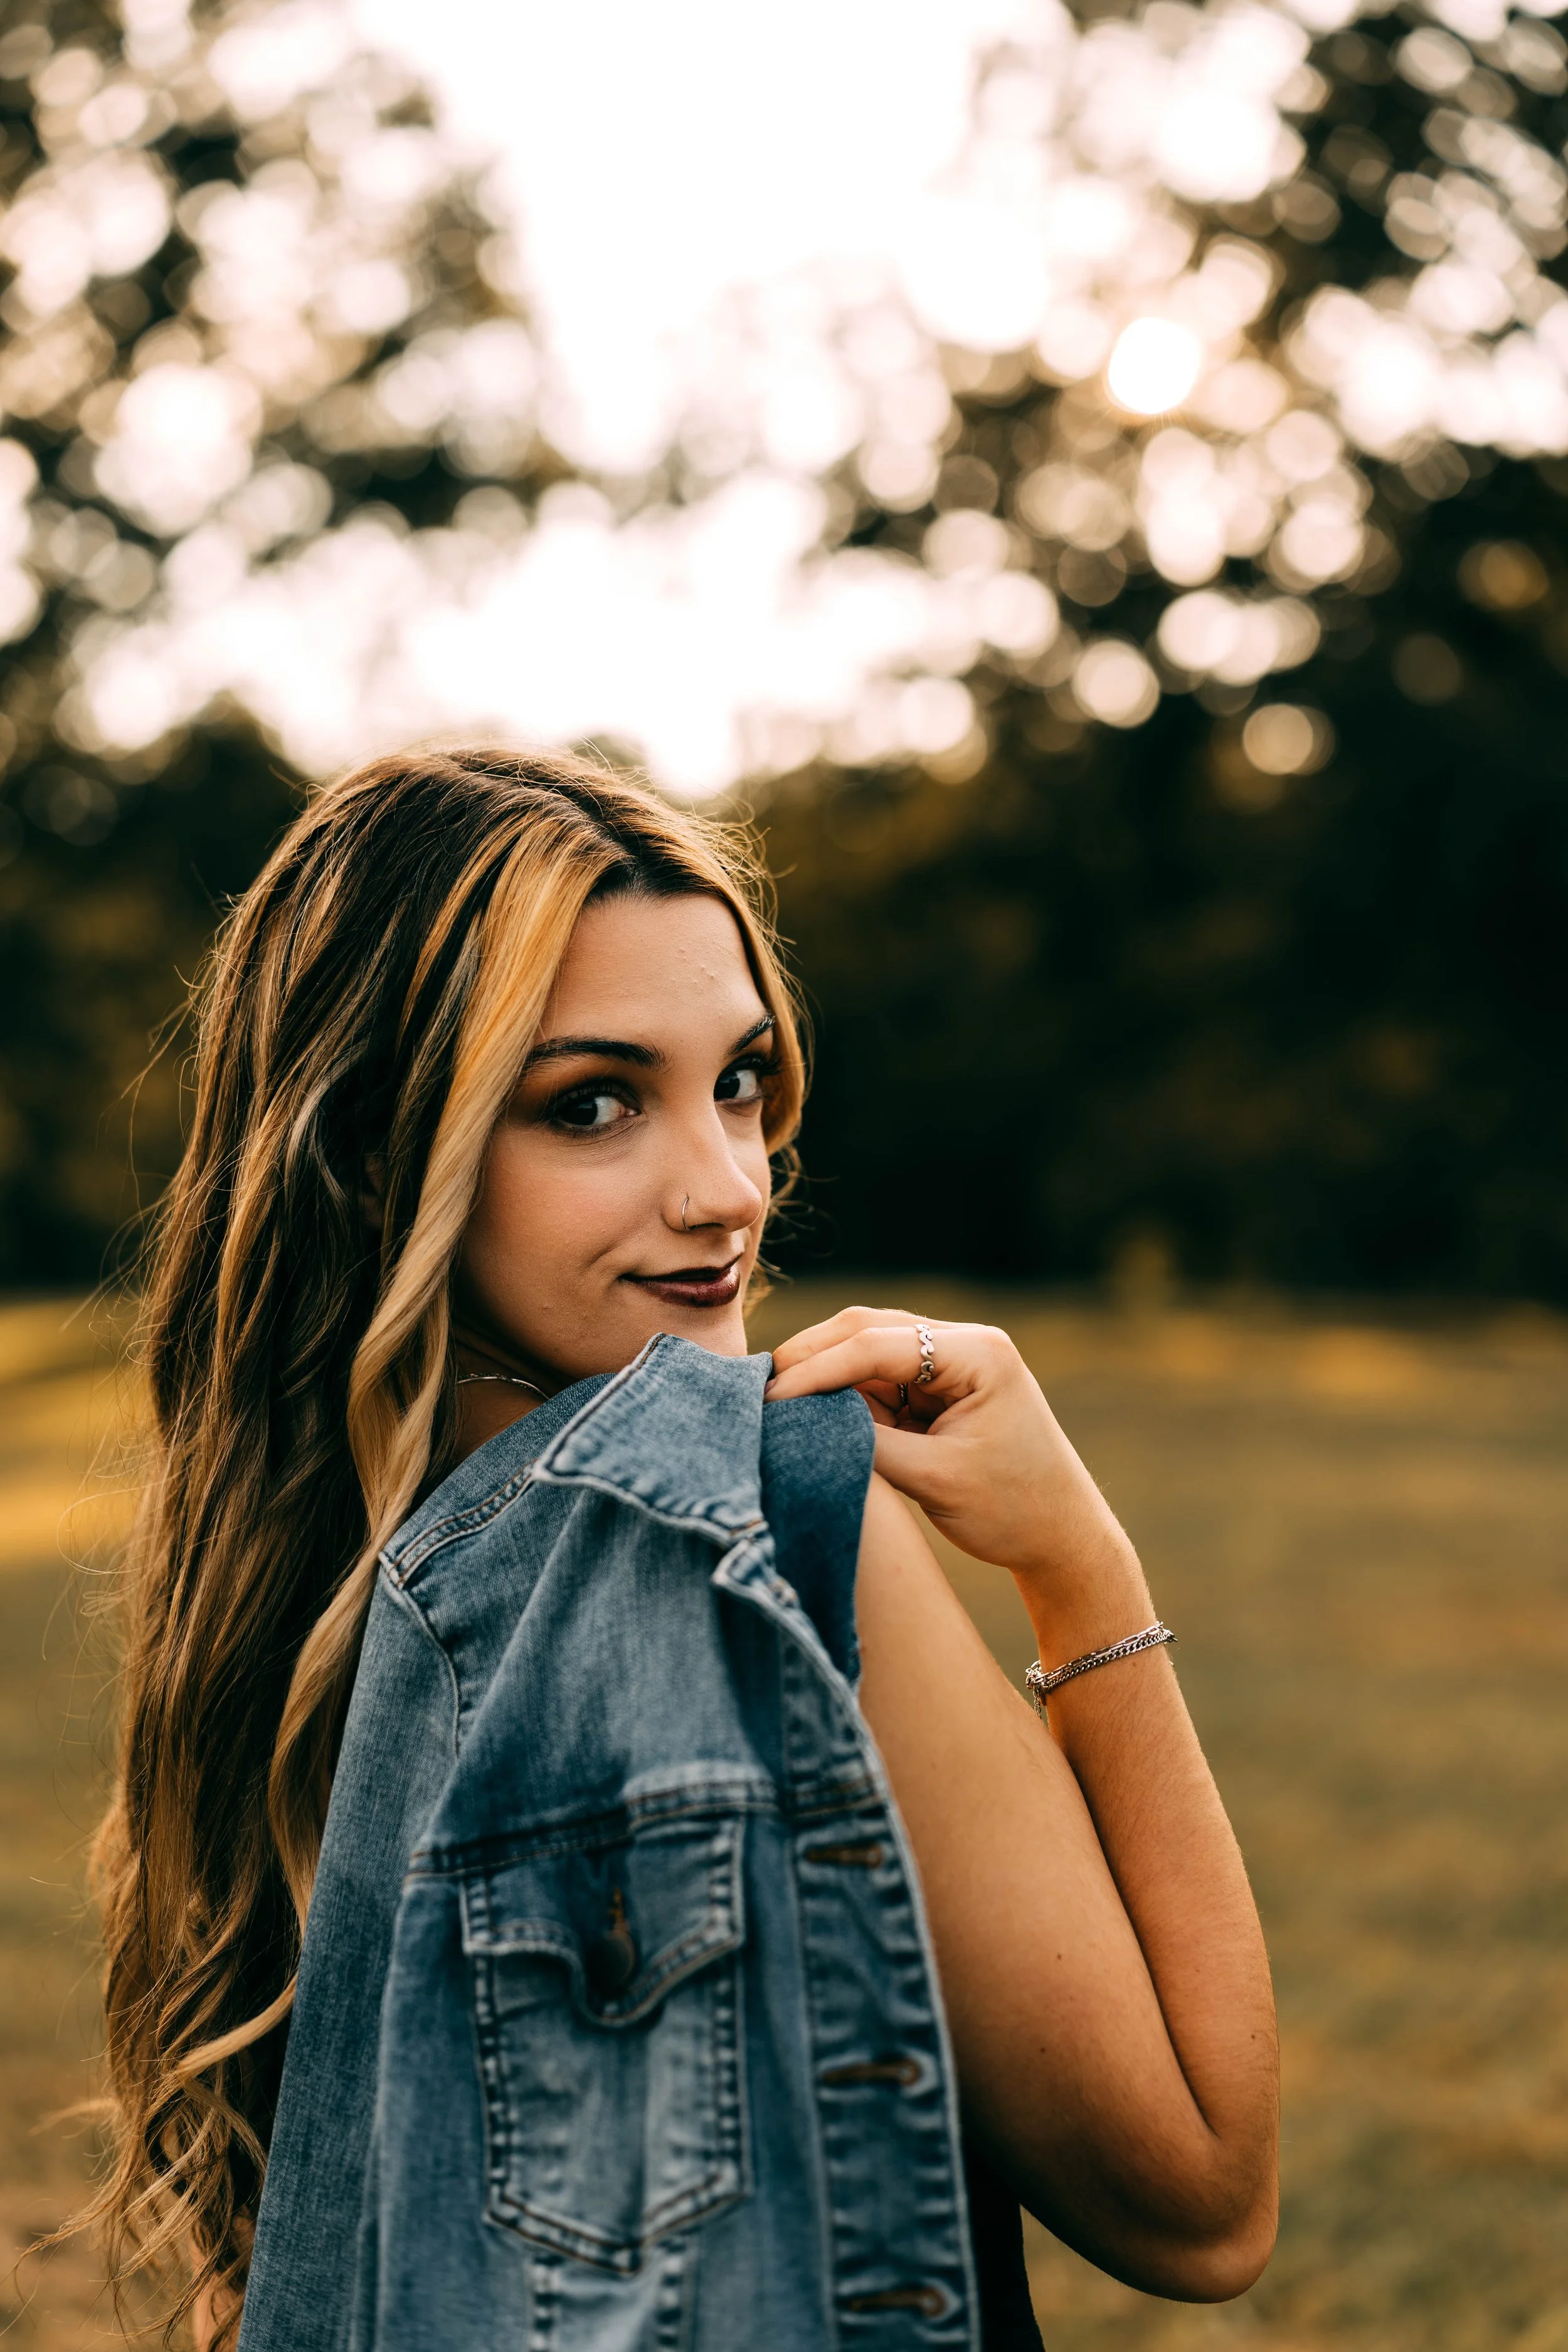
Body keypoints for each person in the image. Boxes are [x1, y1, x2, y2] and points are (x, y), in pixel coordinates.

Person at [86, 747, 1277, 2351]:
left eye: (736, 1083)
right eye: (592, 1105)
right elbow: (1201, 2199)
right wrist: (1082, 1565)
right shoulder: (769, 1535)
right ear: (377, 1152)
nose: (725, 1191)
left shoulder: (292, 1594)